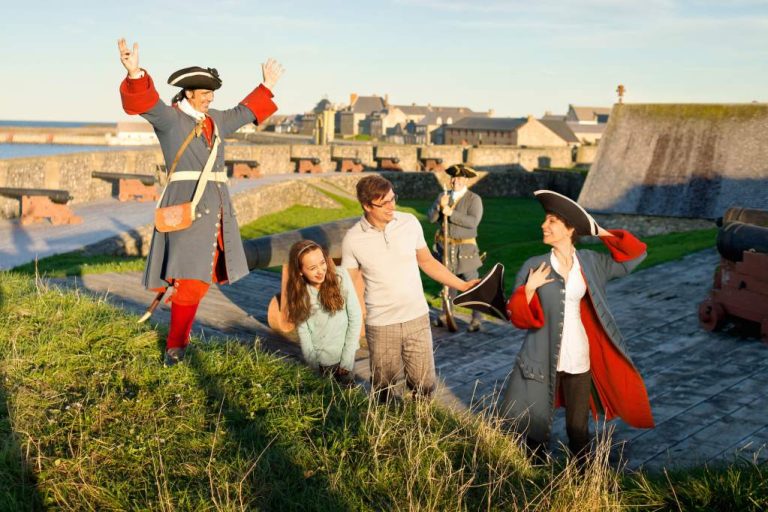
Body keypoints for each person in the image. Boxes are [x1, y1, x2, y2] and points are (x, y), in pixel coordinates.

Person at [117, 38, 283, 366]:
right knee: (192, 280)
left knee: (200, 279)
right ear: (189, 93)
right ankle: (175, 348)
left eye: (211, 95)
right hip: (188, 208)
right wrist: (135, 73)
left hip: (218, 212)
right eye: (204, 94)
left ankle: (181, 333)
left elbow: (243, 112)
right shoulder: (170, 120)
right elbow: (146, 104)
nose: (209, 99)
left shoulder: (216, 120)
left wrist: (266, 85)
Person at [501, 190, 654, 461]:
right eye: (545, 221)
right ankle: (530, 480)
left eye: (551, 221)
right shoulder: (533, 266)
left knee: (578, 429)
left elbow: (635, 256)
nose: (543, 226)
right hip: (541, 358)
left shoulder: (591, 262)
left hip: (580, 357)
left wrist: (600, 231)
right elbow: (516, 316)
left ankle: (581, 481)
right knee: (534, 430)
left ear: (570, 228)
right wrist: (528, 290)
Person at [341, 175, 479, 402]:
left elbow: (427, 262)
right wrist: (359, 321)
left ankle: (422, 428)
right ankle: (388, 432)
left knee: (425, 385)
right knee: (384, 389)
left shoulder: (409, 223)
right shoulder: (353, 239)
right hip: (381, 324)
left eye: (393, 199)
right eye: (383, 203)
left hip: (417, 317)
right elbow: (352, 282)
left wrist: (462, 284)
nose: (391, 206)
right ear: (366, 205)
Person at [284, 240, 362, 386]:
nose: (321, 271)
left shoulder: (341, 277)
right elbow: (304, 332)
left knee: (348, 401)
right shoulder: (299, 294)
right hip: (319, 363)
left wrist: (346, 362)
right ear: (300, 271)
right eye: (313, 268)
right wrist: (313, 365)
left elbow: (355, 317)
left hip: (346, 358)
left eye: (322, 263)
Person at [427, 164, 484, 332]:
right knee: (448, 284)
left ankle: (477, 319)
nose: (455, 181)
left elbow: (473, 222)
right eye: (453, 177)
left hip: (465, 249)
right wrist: (439, 205)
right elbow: (431, 218)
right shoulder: (443, 195)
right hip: (445, 247)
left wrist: (451, 213)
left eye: (459, 178)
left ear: (465, 180)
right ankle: (446, 314)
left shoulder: (474, 199)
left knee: (472, 283)